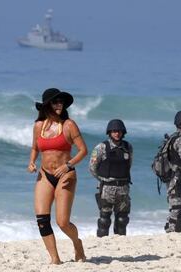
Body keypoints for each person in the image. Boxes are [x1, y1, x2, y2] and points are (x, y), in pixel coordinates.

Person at [27, 88, 87, 264]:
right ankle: (55, 259)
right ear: (47, 105)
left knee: (62, 222)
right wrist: (31, 162)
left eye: (61, 101)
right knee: (42, 220)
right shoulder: (39, 126)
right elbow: (35, 148)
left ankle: (77, 243)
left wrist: (68, 165)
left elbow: (83, 150)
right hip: (45, 175)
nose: (59, 104)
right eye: (55, 102)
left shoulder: (69, 125)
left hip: (65, 175)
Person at [89, 119, 133, 237]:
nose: (117, 133)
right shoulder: (101, 147)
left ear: (123, 132)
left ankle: (120, 243)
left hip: (123, 188)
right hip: (107, 188)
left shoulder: (128, 147)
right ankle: (102, 243)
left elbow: (129, 165)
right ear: (109, 132)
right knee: (104, 220)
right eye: (114, 131)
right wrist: (103, 179)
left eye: (119, 131)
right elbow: (92, 167)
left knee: (122, 220)